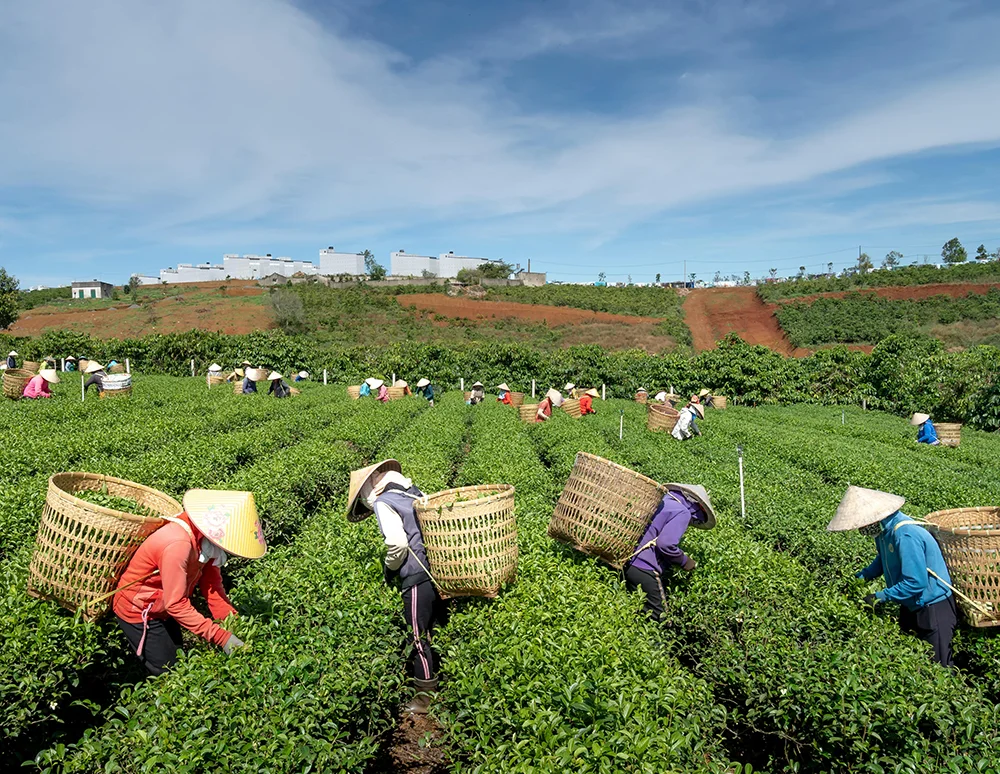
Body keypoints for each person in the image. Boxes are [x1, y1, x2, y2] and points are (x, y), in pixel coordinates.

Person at [113, 489, 266, 676]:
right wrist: (221, 637)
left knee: (179, 658)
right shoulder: (177, 544)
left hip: (163, 606)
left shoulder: (206, 541)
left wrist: (232, 623)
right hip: (138, 610)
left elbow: (212, 586)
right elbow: (176, 604)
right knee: (168, 672)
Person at [347, 459, 444, 714]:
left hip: (414, 575)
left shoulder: (383, 502)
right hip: (435, 569)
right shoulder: (413, 491)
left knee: (417, 636)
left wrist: (390, 569)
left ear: (369, 487)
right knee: (431, 627)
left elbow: (397, 544)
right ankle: (440, 677)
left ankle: (425, 699)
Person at [828, 486, 957, 667]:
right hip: (910, 604)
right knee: (911, 661)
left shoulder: (905, 534)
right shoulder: (883, 533)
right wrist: (860, 578)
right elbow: (883, 560)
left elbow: (916, 582)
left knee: (939, 666)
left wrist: (879, 597)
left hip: (932, 607)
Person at [624, 484, 716, 620]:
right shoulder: (683, 512)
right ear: (698, 507)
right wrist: (685, 561)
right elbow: (665, 544)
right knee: (659, 619)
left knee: (638, 612)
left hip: (628, 560)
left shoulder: (664, 502)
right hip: (645, 567)